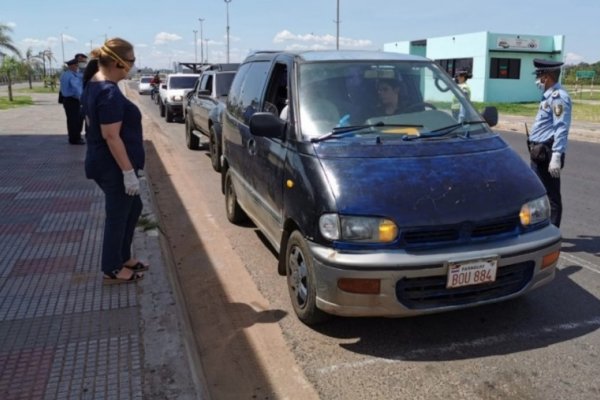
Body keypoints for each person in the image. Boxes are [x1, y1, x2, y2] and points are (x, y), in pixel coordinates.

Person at [81, 37, 147, 284]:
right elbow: (111, 136)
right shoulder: (107, 92)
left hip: (105, 163)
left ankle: (123, 257)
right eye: (131, 60)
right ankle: (112, 268)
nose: (133, 65)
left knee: (134, 208)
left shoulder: (95, 84)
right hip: (113, 166)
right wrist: (128, 172)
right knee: (117, 215)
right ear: (119, 62)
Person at [527, 58, 571, 227]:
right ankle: (540, 227)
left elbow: (561, 127)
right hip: (538, 152)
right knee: (538, 192)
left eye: (539, 76)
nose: (537, 80)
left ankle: (552, 231)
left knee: (551, 195)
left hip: (548, 152)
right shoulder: (547, 97)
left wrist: (557, 155)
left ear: (547, 77)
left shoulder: (559, 97)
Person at [59, 58, 85, 144]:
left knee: (71, 120)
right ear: (72, 66)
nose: (77, 67)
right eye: (76, 65)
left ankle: (74, 138)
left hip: (67, 100)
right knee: (74, 120)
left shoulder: (65, 74)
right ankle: (75, 139)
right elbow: (77, 88)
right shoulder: (71, 76)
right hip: (72, 100)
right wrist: (82, 98)